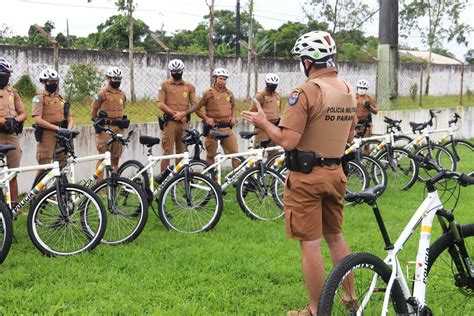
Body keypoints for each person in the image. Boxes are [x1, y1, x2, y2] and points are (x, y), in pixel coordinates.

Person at [242, 31, 357, 315]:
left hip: (306, 177)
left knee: (310, 243)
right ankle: (351, 297)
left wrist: (262, 122)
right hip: (336, 172)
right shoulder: (347, 89)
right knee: (336, 236)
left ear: (308, 62)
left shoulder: (304, 92)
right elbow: (350, 135)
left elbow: (288, 140)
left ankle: (316, 309)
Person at [157, 59, 198, 171]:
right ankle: (163, 181)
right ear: (170, 71)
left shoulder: (189, 86)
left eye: (178, 71)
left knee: (181, 152)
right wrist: (174, 114)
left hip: (183, 123)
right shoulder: (164, 85)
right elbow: (160, 103)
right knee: (167, 152)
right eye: (174, 71)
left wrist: (184, 113)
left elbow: (195, 104)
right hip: (169, 123)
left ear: (182, 70)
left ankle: (179, 179)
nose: (176, 73)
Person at [196, 67, 239, 168]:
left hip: (227, 128)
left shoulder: (229, 93)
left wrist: (233, 117)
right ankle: (211, 178)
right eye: (220, 78)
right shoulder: (208, 93)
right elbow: (197, 108)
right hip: (213, 129)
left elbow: (233, 106)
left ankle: (238, 179)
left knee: (236, 154)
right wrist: (206, 118)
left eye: (224, 79)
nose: (223, 81)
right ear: (215, 79)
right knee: (211, 155)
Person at [32, 68, 73, 169]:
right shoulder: (39, 98)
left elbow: (70, 118)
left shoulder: (60, 99)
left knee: (62, 164)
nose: (53, 84)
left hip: (62, 134)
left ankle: (61, 185)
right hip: (47, 134)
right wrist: (57, 129)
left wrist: (68, 129)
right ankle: (36, 185)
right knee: (44, 165)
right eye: (51, 81)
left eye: (55, 81)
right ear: (44, 82)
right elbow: (37, 119)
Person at [91, 67, 129, 175]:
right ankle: (101, 189)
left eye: (118, 79)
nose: (117, 81)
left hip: (118, 129)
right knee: (103, 158)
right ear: (108, 78)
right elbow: (93, 113)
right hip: (105, 129)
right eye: (114, 78)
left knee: (116, 158)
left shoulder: (122, 94)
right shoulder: (101, 94)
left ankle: (113, 184)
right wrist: (99, 123)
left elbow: (122, 110)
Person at [0, 57, 27, 208]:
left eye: (8, 76)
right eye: (4, 75)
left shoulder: (12, 92)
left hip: (11, 136)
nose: (6, 79)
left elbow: (23, 112)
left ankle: (14, 207)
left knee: (13, 172)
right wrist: (4, 121)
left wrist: (16, 120)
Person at [249, 73, 281, 156]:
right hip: (262, 129)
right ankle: (257, 169)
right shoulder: (260, 96)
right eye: (271, 85)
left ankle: (270, 169)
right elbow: (252, 112)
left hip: (274, 128)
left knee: (273, 153)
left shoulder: (276, 96)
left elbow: (278, 110)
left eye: (275, 85)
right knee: (258, 153)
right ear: (266, 83)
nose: (273, 87)